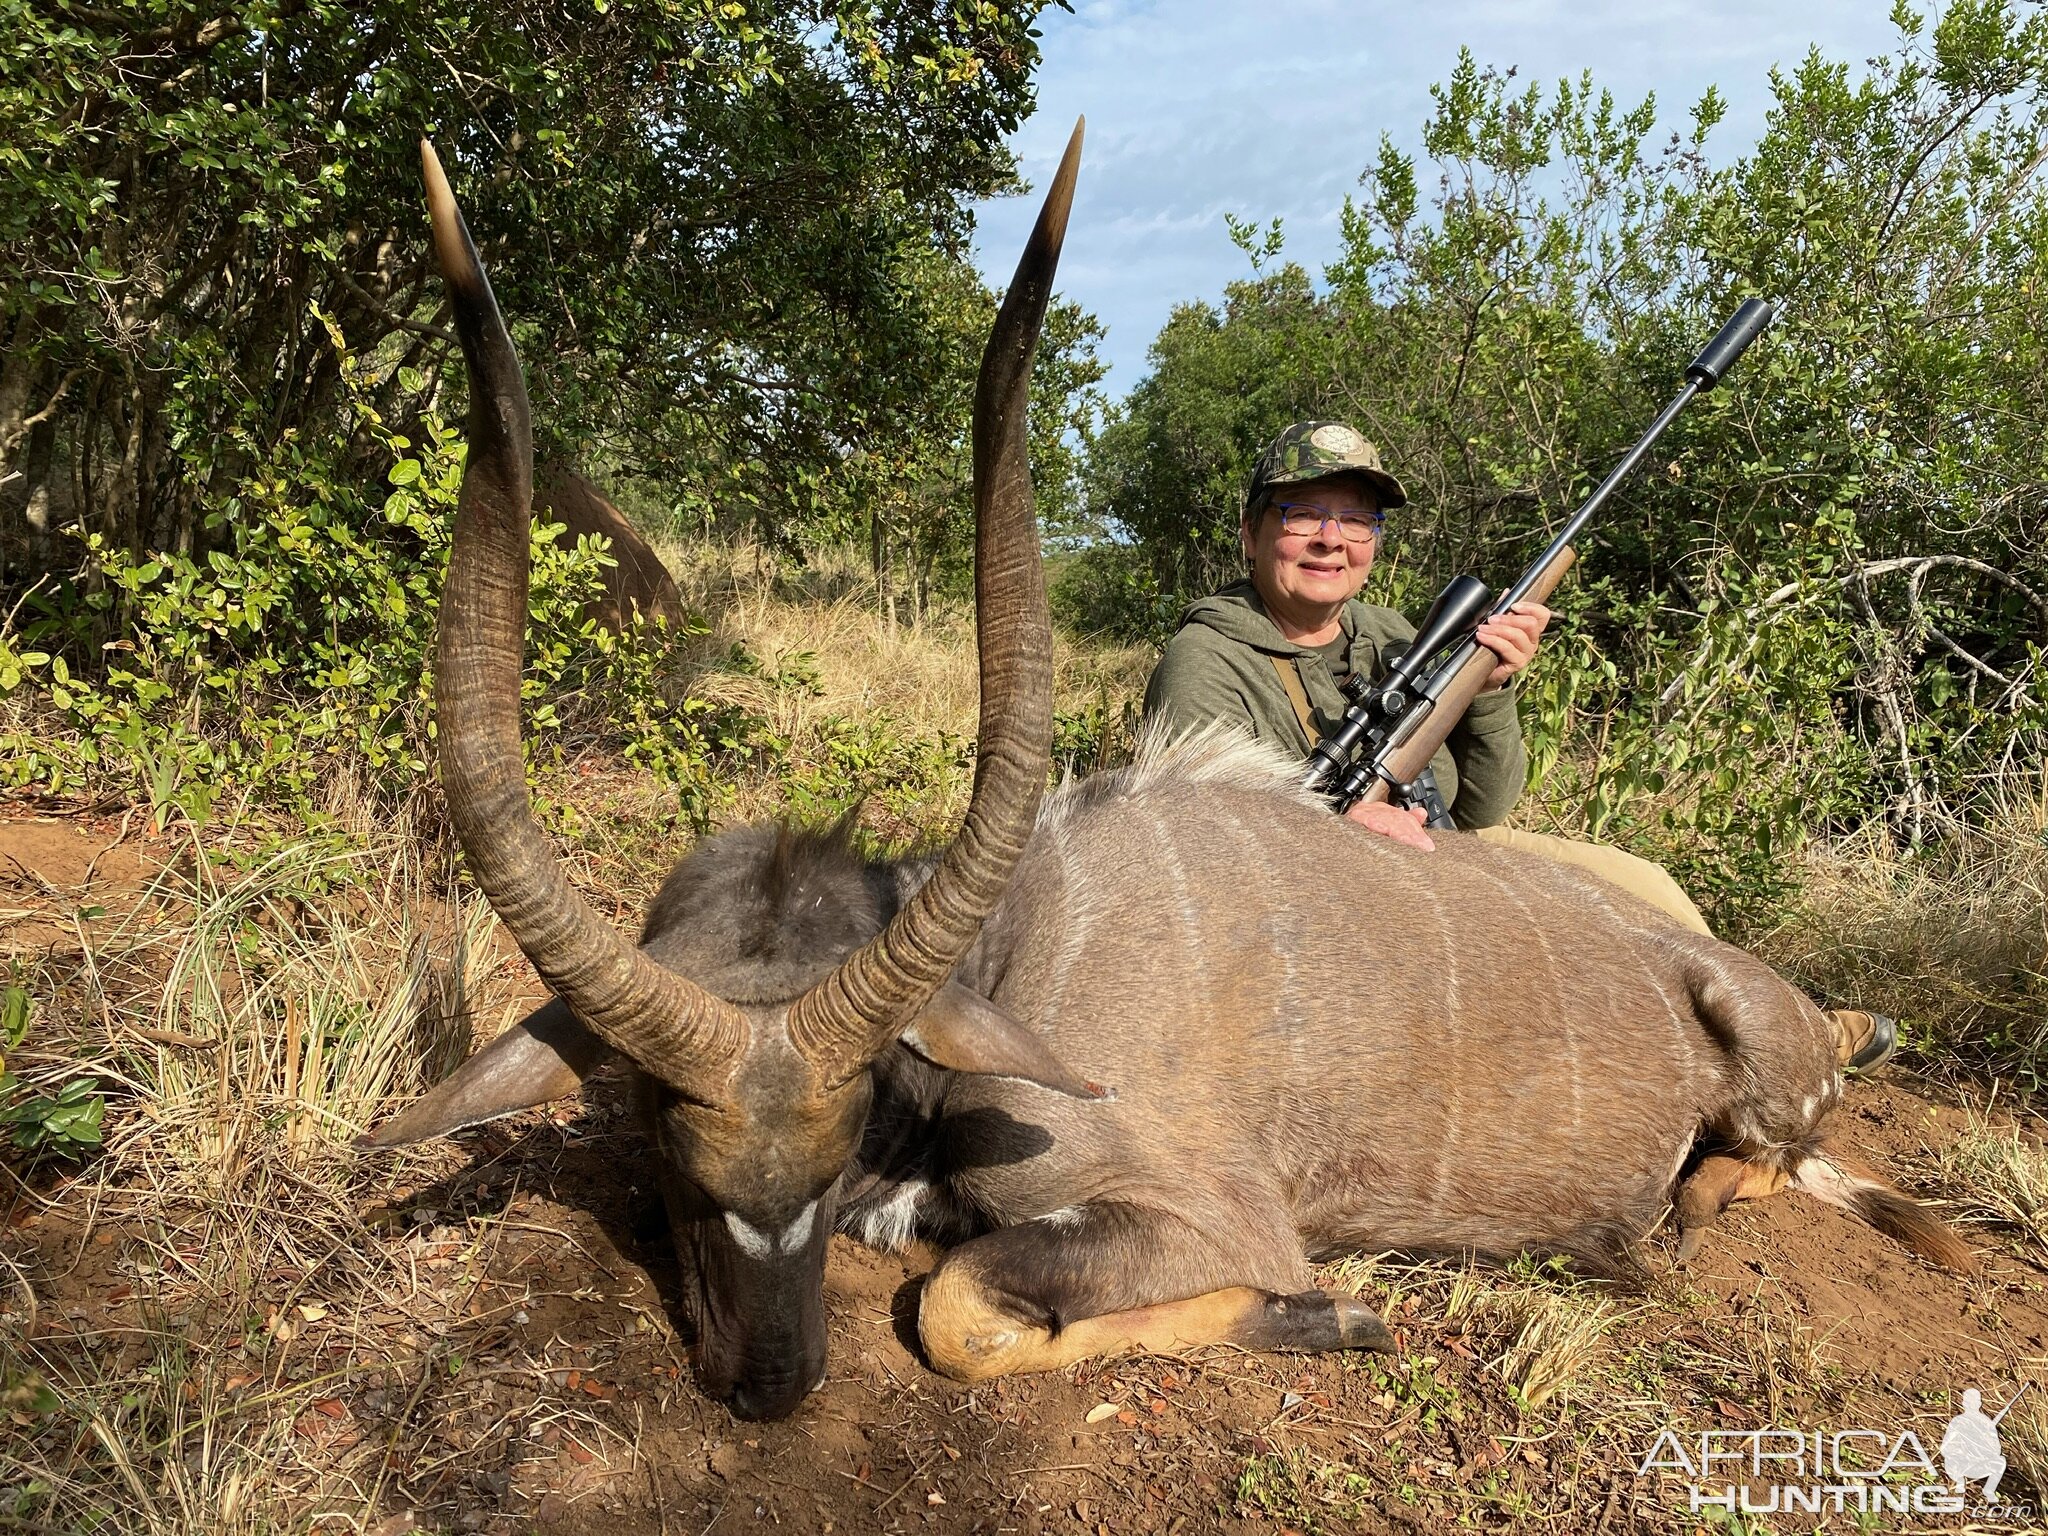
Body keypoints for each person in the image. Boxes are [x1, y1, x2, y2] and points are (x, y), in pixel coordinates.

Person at [1143, 420, 1896, 1073]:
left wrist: (1493, 688)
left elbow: (1485, 806)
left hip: (1442, 857)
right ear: (1251, 532)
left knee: (1639, 885)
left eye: (1357, 521)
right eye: (1302, 514)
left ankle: (1786, 1034)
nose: (1331, 539)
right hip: (1308, 911)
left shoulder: (1393, 636)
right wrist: (1337, 833)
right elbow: (1201, 852)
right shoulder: (1206, 658)